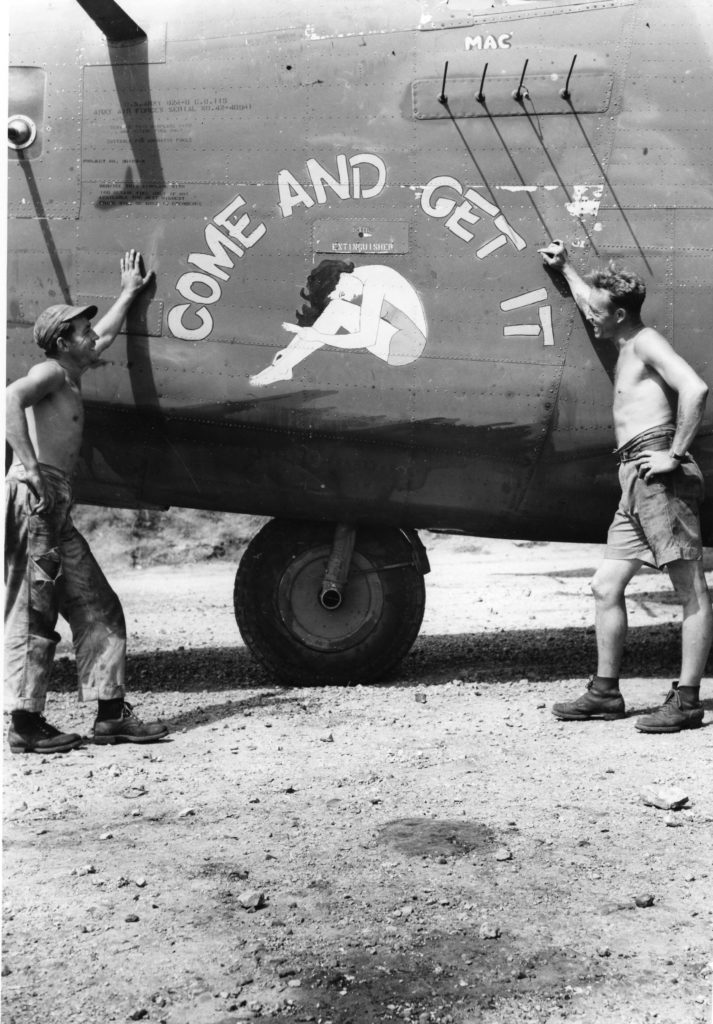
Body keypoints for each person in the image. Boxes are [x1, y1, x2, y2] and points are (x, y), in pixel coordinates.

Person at [540, 240, 711, 733]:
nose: (590, 317)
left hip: (659, 476)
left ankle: (687, 701)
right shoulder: (621, 338)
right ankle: (605, 693)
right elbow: (591, 298)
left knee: (690, 589)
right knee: (605, 585)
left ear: (619, 314)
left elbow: (694, 388)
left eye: (597, 312)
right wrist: (567, 268)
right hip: (633, 479)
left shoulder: (647, 341)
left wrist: (675, 454)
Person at [5, 249, 169, 753]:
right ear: (62, 341)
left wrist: (128, 292)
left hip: (54, 504)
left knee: (98, 604)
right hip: (36, 499)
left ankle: (109, 715)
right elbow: (8, 399)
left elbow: (110, 333)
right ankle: (25, 725)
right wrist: (30, 465)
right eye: (81, 329)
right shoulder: (50, 373)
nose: (90, 335)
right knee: (33, 611)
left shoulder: (71, 373)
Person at [249, 259, 428, 386]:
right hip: (396, 338)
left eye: (341, 293)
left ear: (341, 278)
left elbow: (366, 338)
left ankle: (283, 368)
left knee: (337, 309)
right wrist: (291, 350)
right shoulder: (355, 279)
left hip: (407, 345)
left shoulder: (373, 285)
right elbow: (324, 320)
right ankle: (283, 366)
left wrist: (319, 336)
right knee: (335, 309)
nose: (345, 297)